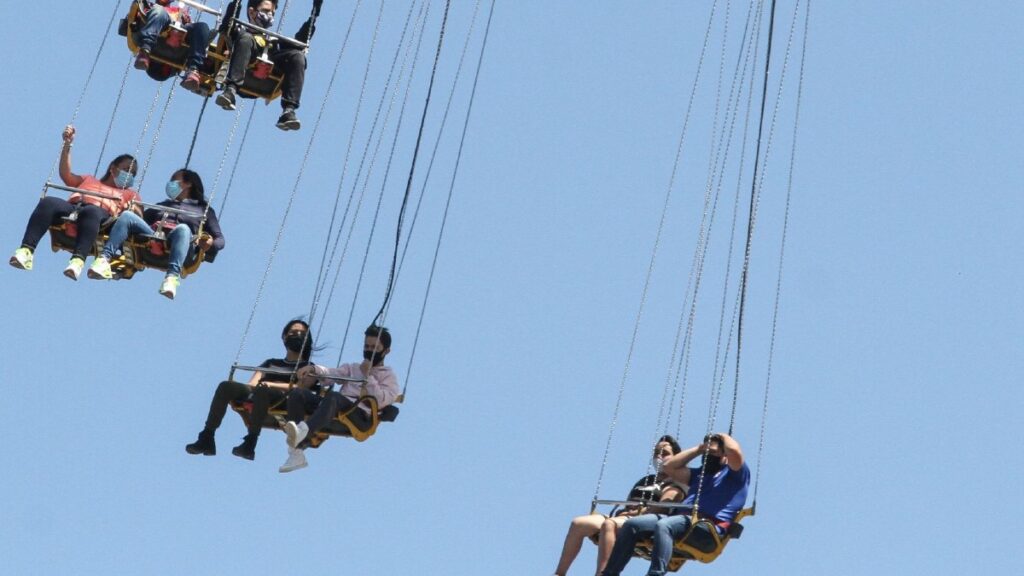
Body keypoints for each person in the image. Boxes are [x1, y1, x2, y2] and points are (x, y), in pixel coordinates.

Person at [599, 433, 751, 576]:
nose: (708, 456)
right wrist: (699, 448)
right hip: (683, 521)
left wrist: (722, 437)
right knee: (632, 525)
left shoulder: (736, 475)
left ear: (724, 455)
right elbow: (668, 466)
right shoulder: (698, 475)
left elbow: (734, 450)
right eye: (706, 453)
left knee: (664, 525)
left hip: (706, 528)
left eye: (712, 452)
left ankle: (655, 574)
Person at [10, 125, 139, 280]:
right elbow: (66, 175)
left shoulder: (130, 194)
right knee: (48, 202)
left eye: (132, 173)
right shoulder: (88, 180)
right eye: (126, 169)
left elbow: (137, 216)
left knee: (91, 211)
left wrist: (130, 209)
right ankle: (26, 250)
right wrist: (67, 145)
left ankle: (78, 260)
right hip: (74, 207)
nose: (129, 175)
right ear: (113, 168)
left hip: (102, 216)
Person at [553, 436, 687, 576]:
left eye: (664, 453)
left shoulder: (675, 484)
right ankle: (560, 573)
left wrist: (636, 514)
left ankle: (603, 573)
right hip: (623, 516)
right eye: (656, 453)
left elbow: (663, 507)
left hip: (645, 520)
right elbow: (629, 500)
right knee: (578, 523)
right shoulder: (646, 480)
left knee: (609, 524)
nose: (659, 457)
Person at [185, 319, 315, 460]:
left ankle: (250, 443)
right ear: (284, 337)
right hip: (260, 392)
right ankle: (207, 437)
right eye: (293, 332)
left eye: (301, 333)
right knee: (226, 386)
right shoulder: (270, 363)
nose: (297, 335)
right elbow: (253, 383)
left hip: (285, 398)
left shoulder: (308, 366)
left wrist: (271, 385)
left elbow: (301, 388)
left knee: (263, 390)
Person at [278, 324, 400, 473]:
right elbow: (331, 374)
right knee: (298, 394)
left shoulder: (388, 376)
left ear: (386, 351)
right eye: (366, 346)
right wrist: (313, 369)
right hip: (335, 406)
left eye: (374, 347)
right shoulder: (353, 368)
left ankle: (303, 432)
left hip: (360, 415)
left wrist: (368, 376)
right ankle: (296, 453)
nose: (369, 351)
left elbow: (381, 400)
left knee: (334, 397)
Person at [88, 168, 225, 299]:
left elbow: (220, 240)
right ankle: (104, 259)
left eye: (174, 180)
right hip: (153, 237)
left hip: (179, 242)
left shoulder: (203, 211)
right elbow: (139, 220)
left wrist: (209, 243)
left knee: (183, 229)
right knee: (128, 216)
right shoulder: (163, 205)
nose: (170, 184)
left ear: (188, 184)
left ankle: (171, 277)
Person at [214, 0, 323, 130]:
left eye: (272, 13)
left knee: (297, 56)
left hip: (268, 74)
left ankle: (289, 110)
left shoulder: (274, 42)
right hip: (245, 62)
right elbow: (227, 25)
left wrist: (314, 16)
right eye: (266, 11)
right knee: (246, 39)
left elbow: (299, 42)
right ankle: (230, 90)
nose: (270, 15)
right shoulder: (239, 32)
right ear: (252, 12)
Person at [132, 0, 214, 92]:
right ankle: (145, 50)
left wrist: (185, 22)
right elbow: (137, 17)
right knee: (159, 11)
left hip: (178, 47)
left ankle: (193, 70)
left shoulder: (180, 11)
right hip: (158, 41)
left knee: (201, 27)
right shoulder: (150, 6)